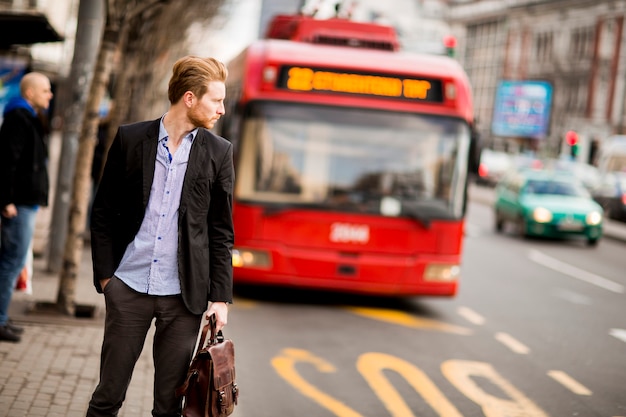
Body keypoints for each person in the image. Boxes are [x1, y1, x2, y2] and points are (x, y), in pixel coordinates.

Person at [86, 56, 234, 417]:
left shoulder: (219, 152)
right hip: (129, 287)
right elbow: (103, 211)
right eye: (215, 100)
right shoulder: (131, 138)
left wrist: (220, 299)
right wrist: (108, 278)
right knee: (108, 397)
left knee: (170, 406)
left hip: (184, 298)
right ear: (189, 98)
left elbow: (221, 230)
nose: (222, 109)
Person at [0, 72, 53, 343]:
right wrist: (6, 199)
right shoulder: (18, 118)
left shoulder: (28, 117)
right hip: (17, 204)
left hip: (24, 202)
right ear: (30, 93)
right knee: (11, 261)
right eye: (45, 90)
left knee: (13, 260)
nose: (50, 95)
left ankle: (3, 317)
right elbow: (7, 160)